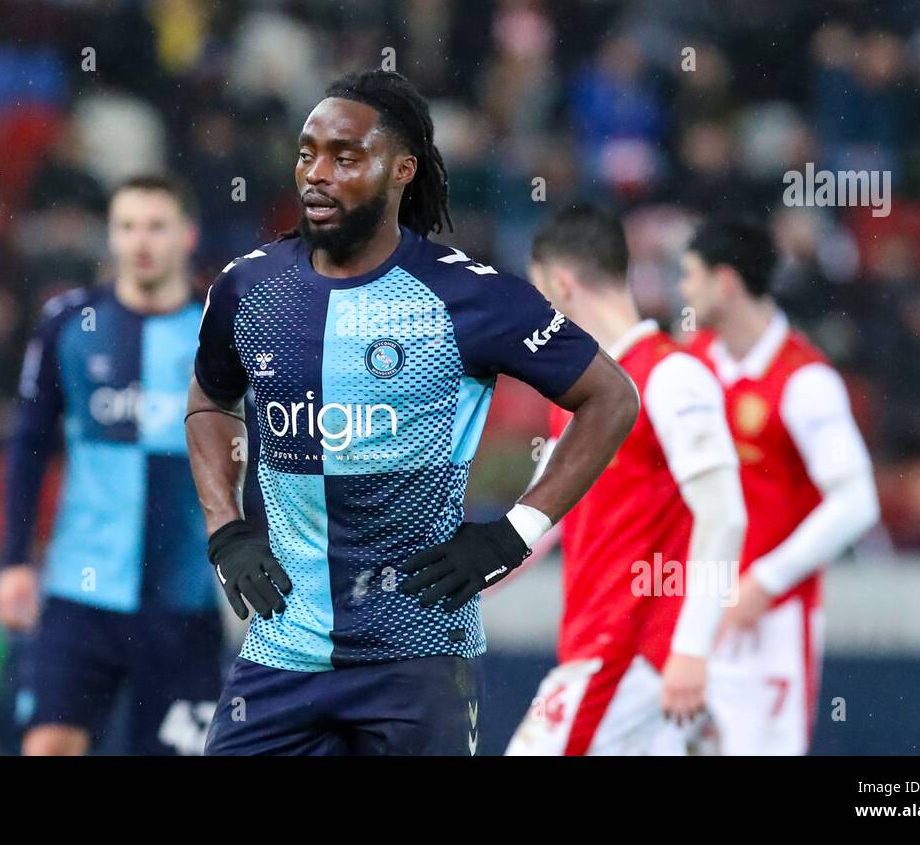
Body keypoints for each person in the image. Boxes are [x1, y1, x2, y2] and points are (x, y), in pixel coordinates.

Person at [186, 69, 639, 755]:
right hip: (281, 656)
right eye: (308, 153)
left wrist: (511, 536)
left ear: (402, 169)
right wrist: (227, 529)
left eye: (345, 158)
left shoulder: (468, 296)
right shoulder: (249, 287)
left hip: (417, 660)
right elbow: (210, 399)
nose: (317, 174)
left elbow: (611, 398)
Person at [0, 176, 223, 755]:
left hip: (184, 600)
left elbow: (267, 452)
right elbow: (28, 444)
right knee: (49, 745)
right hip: (82, 591)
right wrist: (15, 561)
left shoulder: (222, 333)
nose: (139, 241)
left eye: (156, 226)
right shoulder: (67, 324)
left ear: (187, 235)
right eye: (126, 227)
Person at [506, 204, 746, 756]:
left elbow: (724, 514)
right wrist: (443, 583)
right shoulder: (580, 398)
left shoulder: (671, 376)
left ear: (562, 285)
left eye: (539, 295)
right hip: (602, 652)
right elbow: (534, 528)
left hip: (630, 657)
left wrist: (690, 648)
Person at [680, 217, 880, 755]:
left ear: (725, 282)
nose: (682, 290)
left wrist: (765, 581)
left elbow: (858, 502)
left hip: (769, 623)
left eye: (690, 276)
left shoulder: (805, 380)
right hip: (684, 606)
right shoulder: (688, 367)